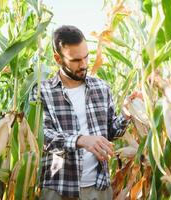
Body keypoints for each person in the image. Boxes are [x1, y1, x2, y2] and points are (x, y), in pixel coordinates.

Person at [30, 25, 135, 200]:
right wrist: (80, 140)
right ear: (58, 58)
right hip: (59, 189)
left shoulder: (101, 88)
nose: (84, 64)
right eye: (76, 60)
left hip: (99, 188)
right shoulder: (43, 91)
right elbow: (41, 137)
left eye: (86, 57)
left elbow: (111, 132)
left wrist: (125, 114)